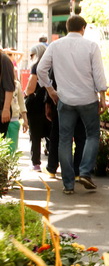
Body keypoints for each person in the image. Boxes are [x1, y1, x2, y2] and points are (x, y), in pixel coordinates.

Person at [37, 14, 107, 195]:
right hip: (88, 100)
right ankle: (84, 172)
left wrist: (51, 91)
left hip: (65, 99)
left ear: (67, 28)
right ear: (83, 28)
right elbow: (98, 74)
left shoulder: (55, 45)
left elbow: (40, 69)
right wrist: (103, 97)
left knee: (64, 140)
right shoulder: (91, 46)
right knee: (92, 135)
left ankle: (68, 185)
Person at [23, 43, 50, 171]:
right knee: (51, 133)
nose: (31, 57)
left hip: (36, 105)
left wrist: (25, 93)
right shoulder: (53, 66)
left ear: (37, 54)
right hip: (51, 102)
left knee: (35, 135)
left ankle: (36, 163)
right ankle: (53, 162)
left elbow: (30, 88)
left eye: (32, 54)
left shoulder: (36, 67)